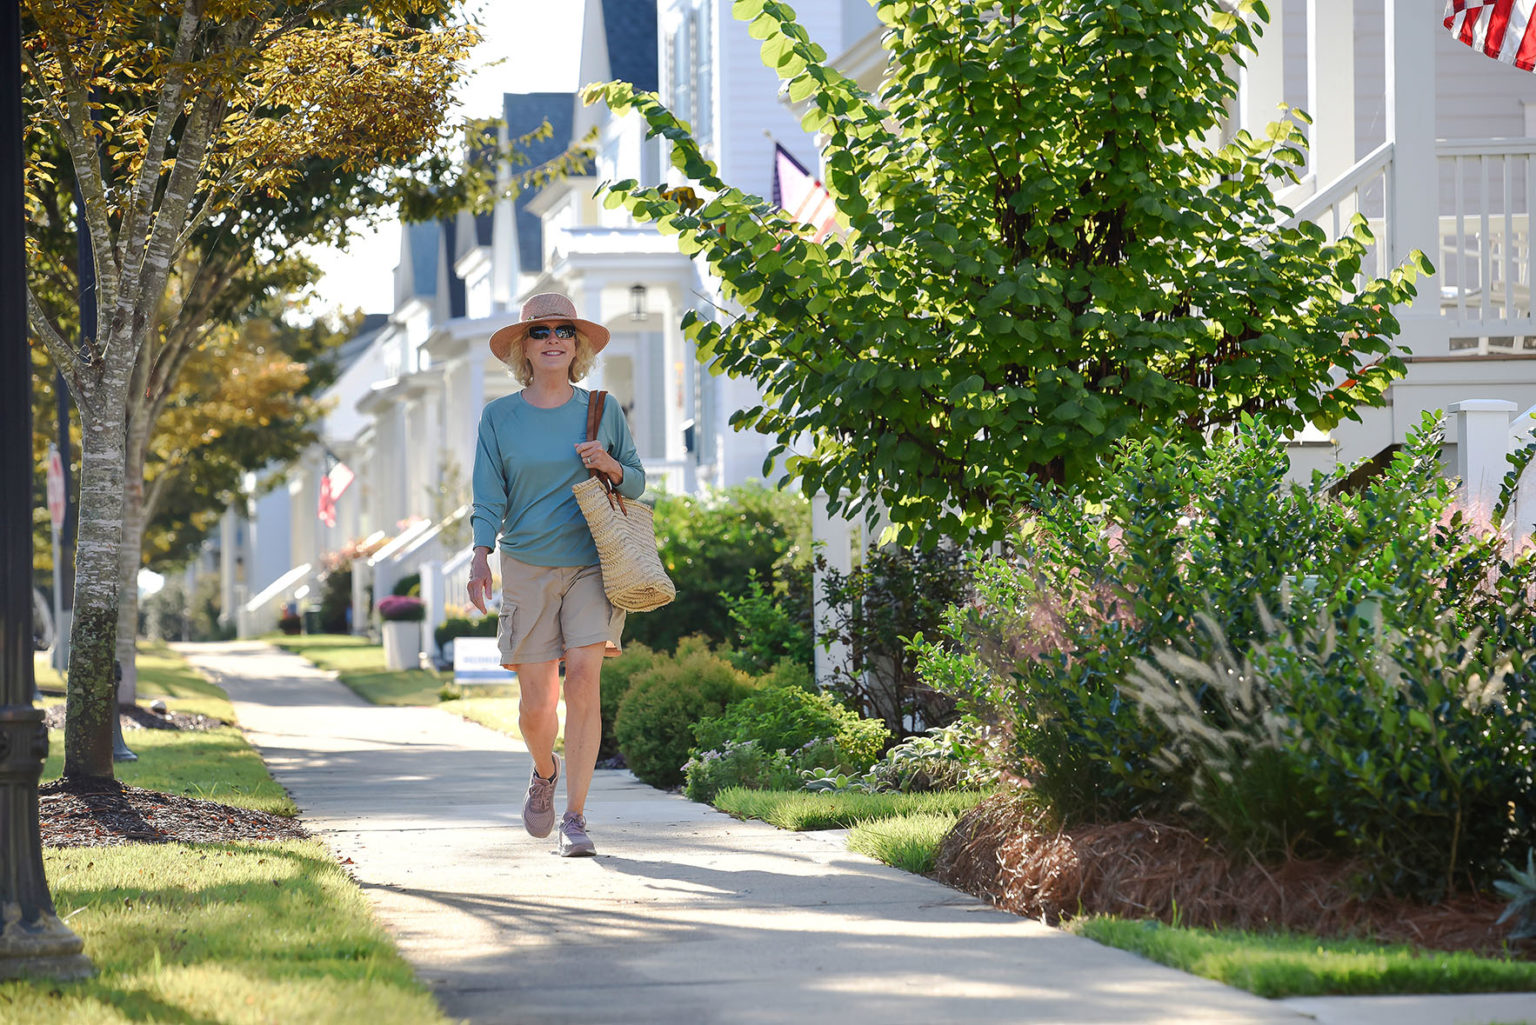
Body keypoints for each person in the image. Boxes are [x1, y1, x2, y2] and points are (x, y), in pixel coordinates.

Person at [467, 292, 646, 858]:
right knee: (537, 702)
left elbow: (636, 481)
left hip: (594, 560)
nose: (552, 340)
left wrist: (610, 465)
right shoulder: (500, 416)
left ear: (577, 344)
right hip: (526, 564)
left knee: (584, 681)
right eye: (540, 331)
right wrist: (479, 554)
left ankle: (575, 816)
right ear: (524, 347)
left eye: (563, 331)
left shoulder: (601, 407)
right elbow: (487, 492)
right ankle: (543, 772)